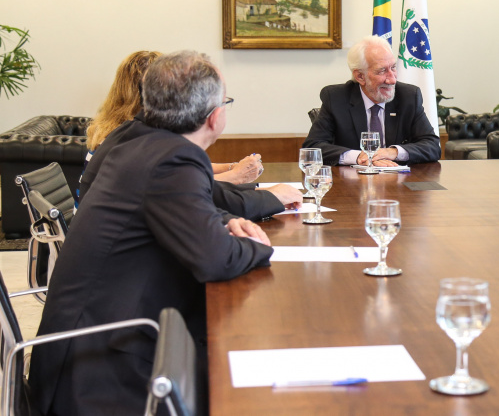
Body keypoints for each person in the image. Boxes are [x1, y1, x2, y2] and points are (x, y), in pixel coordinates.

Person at [29, 51, 274, 415]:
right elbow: (215, 259)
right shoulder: (173, 158)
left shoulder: (136, 138)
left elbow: (183, 210)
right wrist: (258, 244)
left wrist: (223, 223)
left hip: (85, 343)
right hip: (102, 368)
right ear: (214, 116)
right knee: (243, 378)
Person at [80, 50, 300, 219]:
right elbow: (198, 196)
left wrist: (241, 198)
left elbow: (198, 195)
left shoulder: (134, 134)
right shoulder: (143, 144)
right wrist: (265, 195)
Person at [303, 35, 441, 166]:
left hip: (398, 178)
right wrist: (358, 157)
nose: (392, 79)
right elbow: (312, 147)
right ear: (360, 76)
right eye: (382, 71)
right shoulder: (336, 98)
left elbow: (432, 146)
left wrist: (393, 152)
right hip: (352, 180)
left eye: (393, 68)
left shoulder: (408, 96)